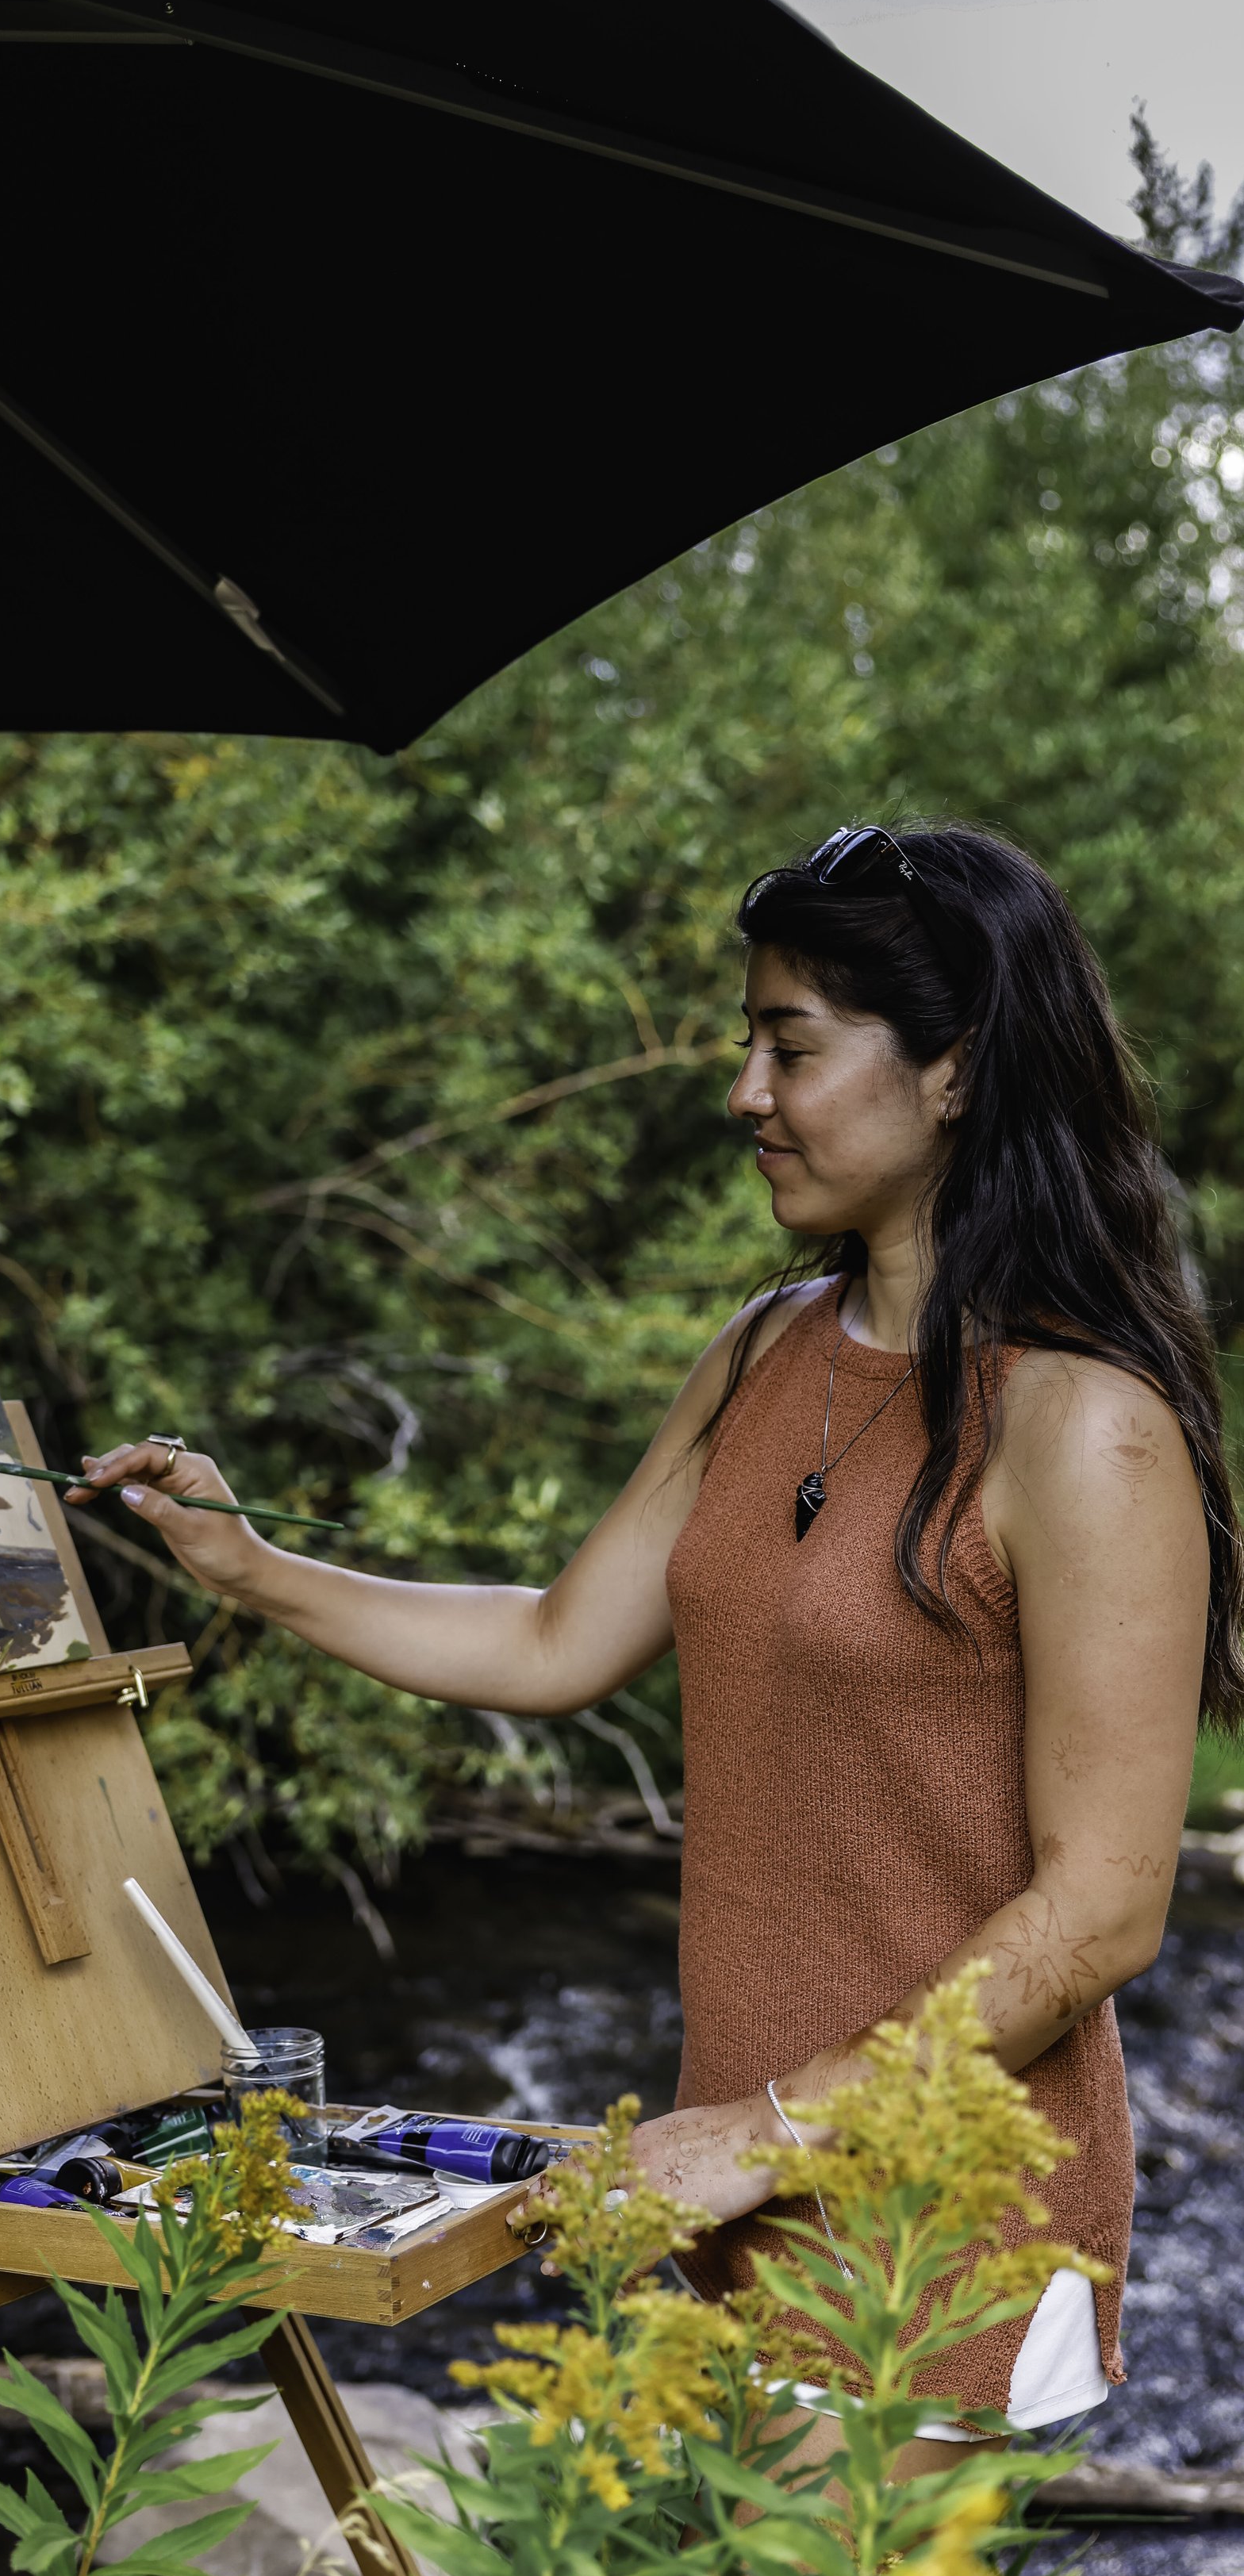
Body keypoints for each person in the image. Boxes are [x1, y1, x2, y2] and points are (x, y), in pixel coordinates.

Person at [71, 820, 1239, 2481]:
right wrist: (246, 1566)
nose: (741, 1092)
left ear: (955, 1069)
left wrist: (767, 2136)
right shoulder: (758, 1352)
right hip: (728, 2174)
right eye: (744, 1041)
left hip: (930, 2223)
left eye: (789, 1045)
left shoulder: (1082, 1429)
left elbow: (1101, 1908)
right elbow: (553, 1640)